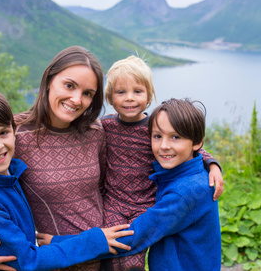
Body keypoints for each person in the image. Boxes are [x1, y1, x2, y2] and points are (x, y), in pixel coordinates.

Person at [0, 47, 223, 271]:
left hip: (108, 254)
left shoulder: (98, 131)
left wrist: (207, 161)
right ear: (49, 80)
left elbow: (167, 134)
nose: (77, 99)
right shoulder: (12, 134)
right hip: (53, 259)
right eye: (69, 86)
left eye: (89, 93)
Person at [0, 86, 133, 270]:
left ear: (14, 132)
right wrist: (93, 241)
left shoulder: (4, 176)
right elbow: (28, 262)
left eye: (3, 133)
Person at [45, 98, 221, 270]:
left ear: (197, 142)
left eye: (175, 137)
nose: (164, 146)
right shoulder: (185, 173)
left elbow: (133, 238)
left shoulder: (185, 193)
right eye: (157, 136)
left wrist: (58, 244)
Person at [98, 56, 222, 270]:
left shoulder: (154, 130)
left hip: (145, 205)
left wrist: (212, 163)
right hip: (115, 201)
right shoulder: (106, 126)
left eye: (137, 91)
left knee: (129, 260)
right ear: (110, 97)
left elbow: (191, 143)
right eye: (121, 92)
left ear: (148, 96)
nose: (129, 98)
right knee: (108, 260)